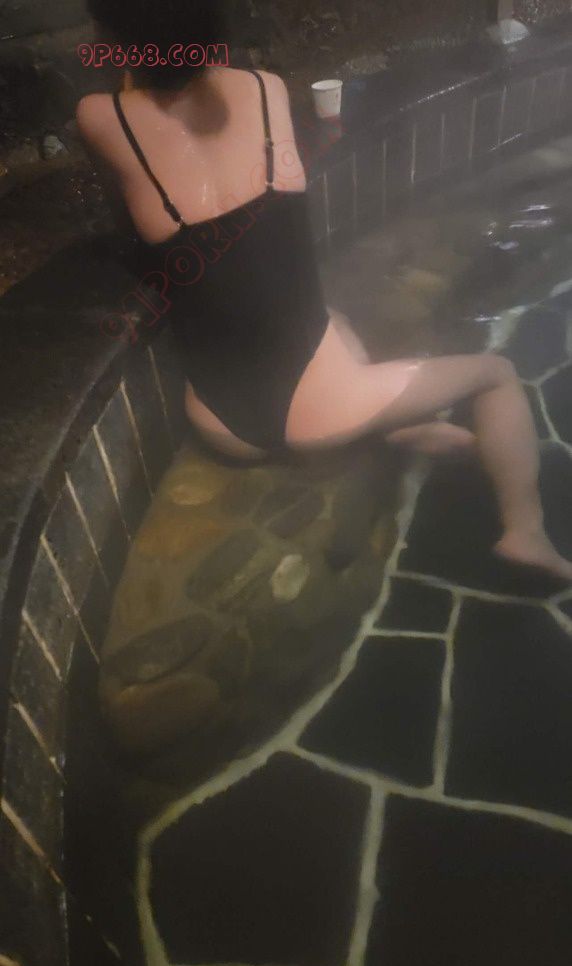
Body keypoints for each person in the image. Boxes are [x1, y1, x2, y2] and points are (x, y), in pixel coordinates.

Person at [77, 0, 572, 582]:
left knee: (332, 322)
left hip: (217, 419)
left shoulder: (100, 118)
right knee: (496, 374)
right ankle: (523, 533)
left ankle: (390, 428)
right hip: (311, 411)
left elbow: (133, 197)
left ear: (115, 38)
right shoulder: (262, 90)